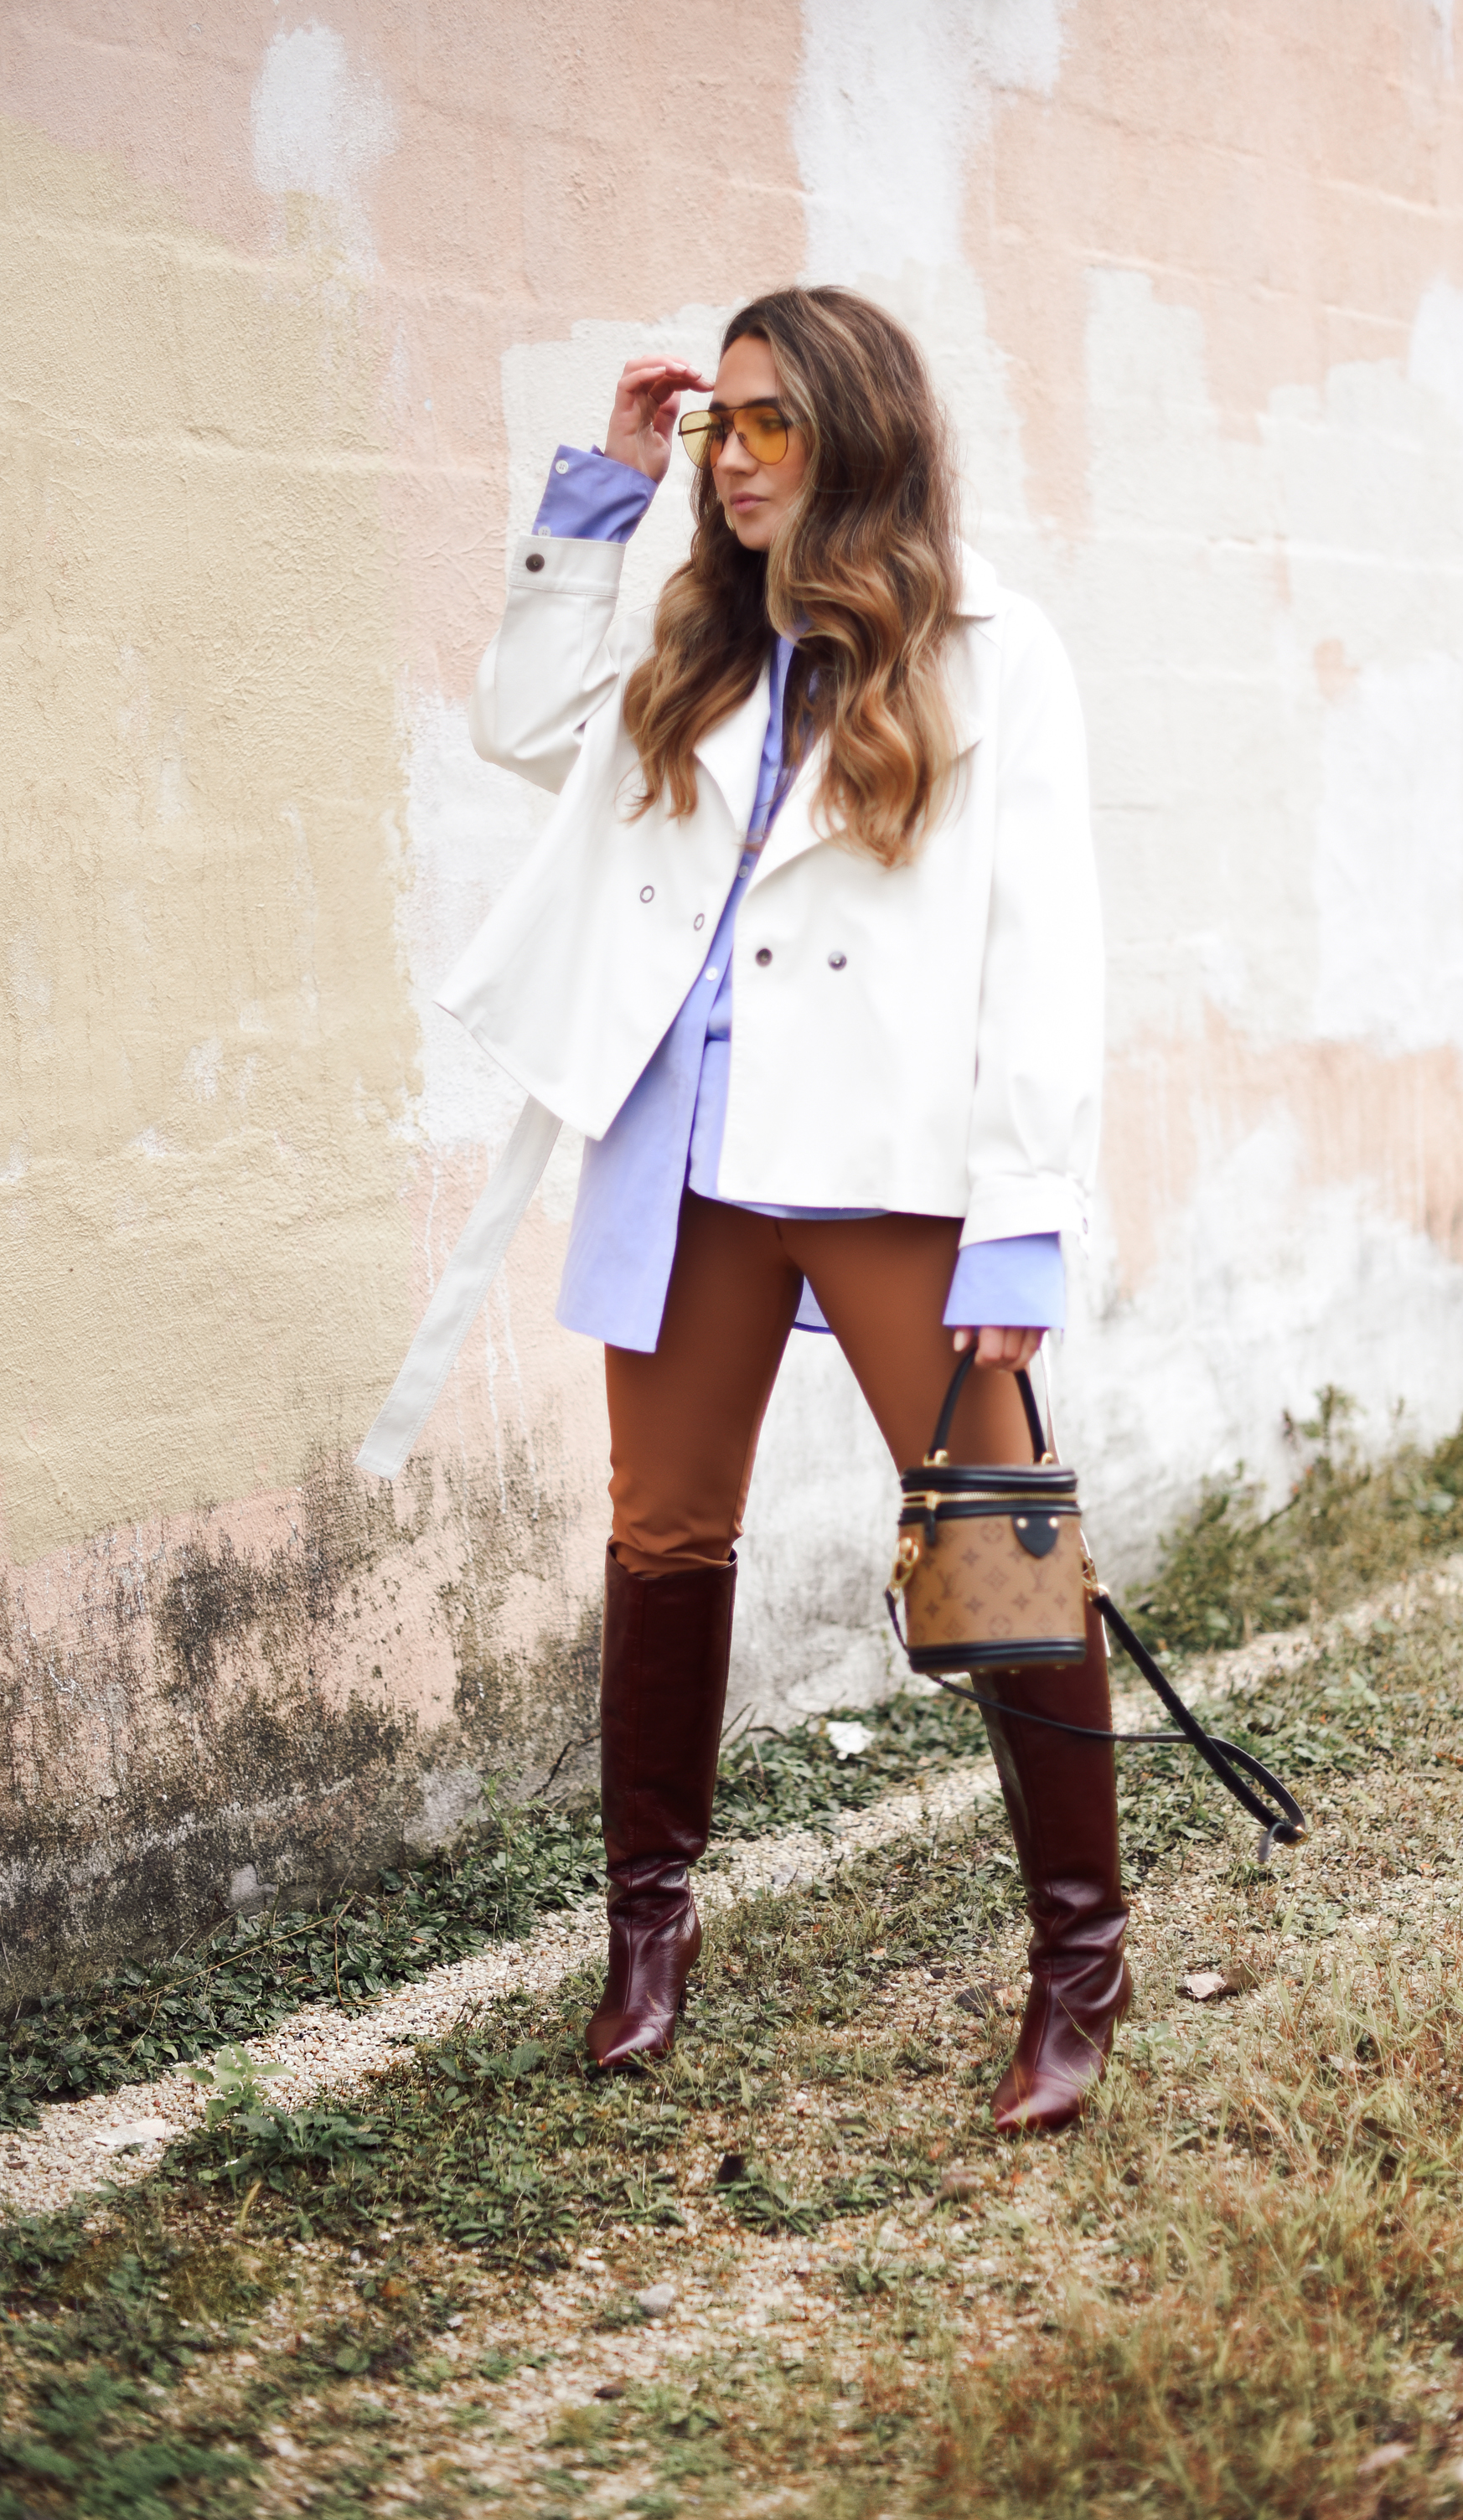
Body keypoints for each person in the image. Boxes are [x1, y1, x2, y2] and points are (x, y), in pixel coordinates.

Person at [375, 287, 1128, 2135]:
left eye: (768, 423)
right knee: (661, 1539)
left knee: (993, 1541)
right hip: (683, 1160)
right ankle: (647, 1932)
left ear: (860, 433)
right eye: (717, 425)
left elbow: (1043, 951)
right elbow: (511, 723)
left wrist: (1018, 1220)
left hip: (884, 1168)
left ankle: (1077, 1963)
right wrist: (605, 490)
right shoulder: (694, 653)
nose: (734, 458)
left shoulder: (990, 653)